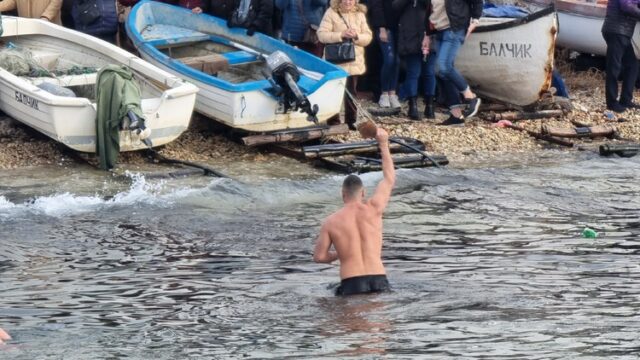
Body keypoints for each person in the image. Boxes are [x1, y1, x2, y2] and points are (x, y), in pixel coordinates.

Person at [313, 127, 394, 296]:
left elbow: (320, 257)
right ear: (363, 193)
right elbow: (389, 179)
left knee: (350, 322)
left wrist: (339, 253)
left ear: (343, 194)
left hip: (352, 282)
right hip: (379, 278)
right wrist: (384, 144)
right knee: (381, 321)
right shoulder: (374, 208)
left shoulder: (331, 221)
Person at [423, 0, 482, 126]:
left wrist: (475, 20)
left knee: (443, 67)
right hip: (438, 31)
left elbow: (477, 2)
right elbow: (430, 10)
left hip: (455, 28)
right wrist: (427, 35)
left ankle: (471, 97)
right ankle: (456, 116)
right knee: (439, 72)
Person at [317, 0, 372, 129]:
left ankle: (351, 121)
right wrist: (340, 35)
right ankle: (333, 121)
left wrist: (357, 36)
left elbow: (368, 37)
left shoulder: (360, 14)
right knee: (333, 93)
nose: (348, 2)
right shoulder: (331, 12)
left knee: (351, 93)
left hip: (354, 61)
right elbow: (321, 35)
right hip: (335, 62)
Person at [394, 0, 436, 120]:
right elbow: (395, 7)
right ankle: (413, 106)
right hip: (410, 35)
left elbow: (432, 5)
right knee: (413, 73)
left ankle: (430, 106)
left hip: (429, 33)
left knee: (429, 72)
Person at [601, 0, 640, 112]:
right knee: (614, 67)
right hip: (617, 31)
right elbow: (626, 6)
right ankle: (612, 103)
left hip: (621, 32)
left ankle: (625, 100)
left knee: (632, 65)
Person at [369, 0, 400, 109]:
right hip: (385, 27)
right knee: (389, 59)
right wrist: (381, 27)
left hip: (400, 27)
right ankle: (384, 93)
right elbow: (377, 6)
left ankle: (392, 93)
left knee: (396, 61)